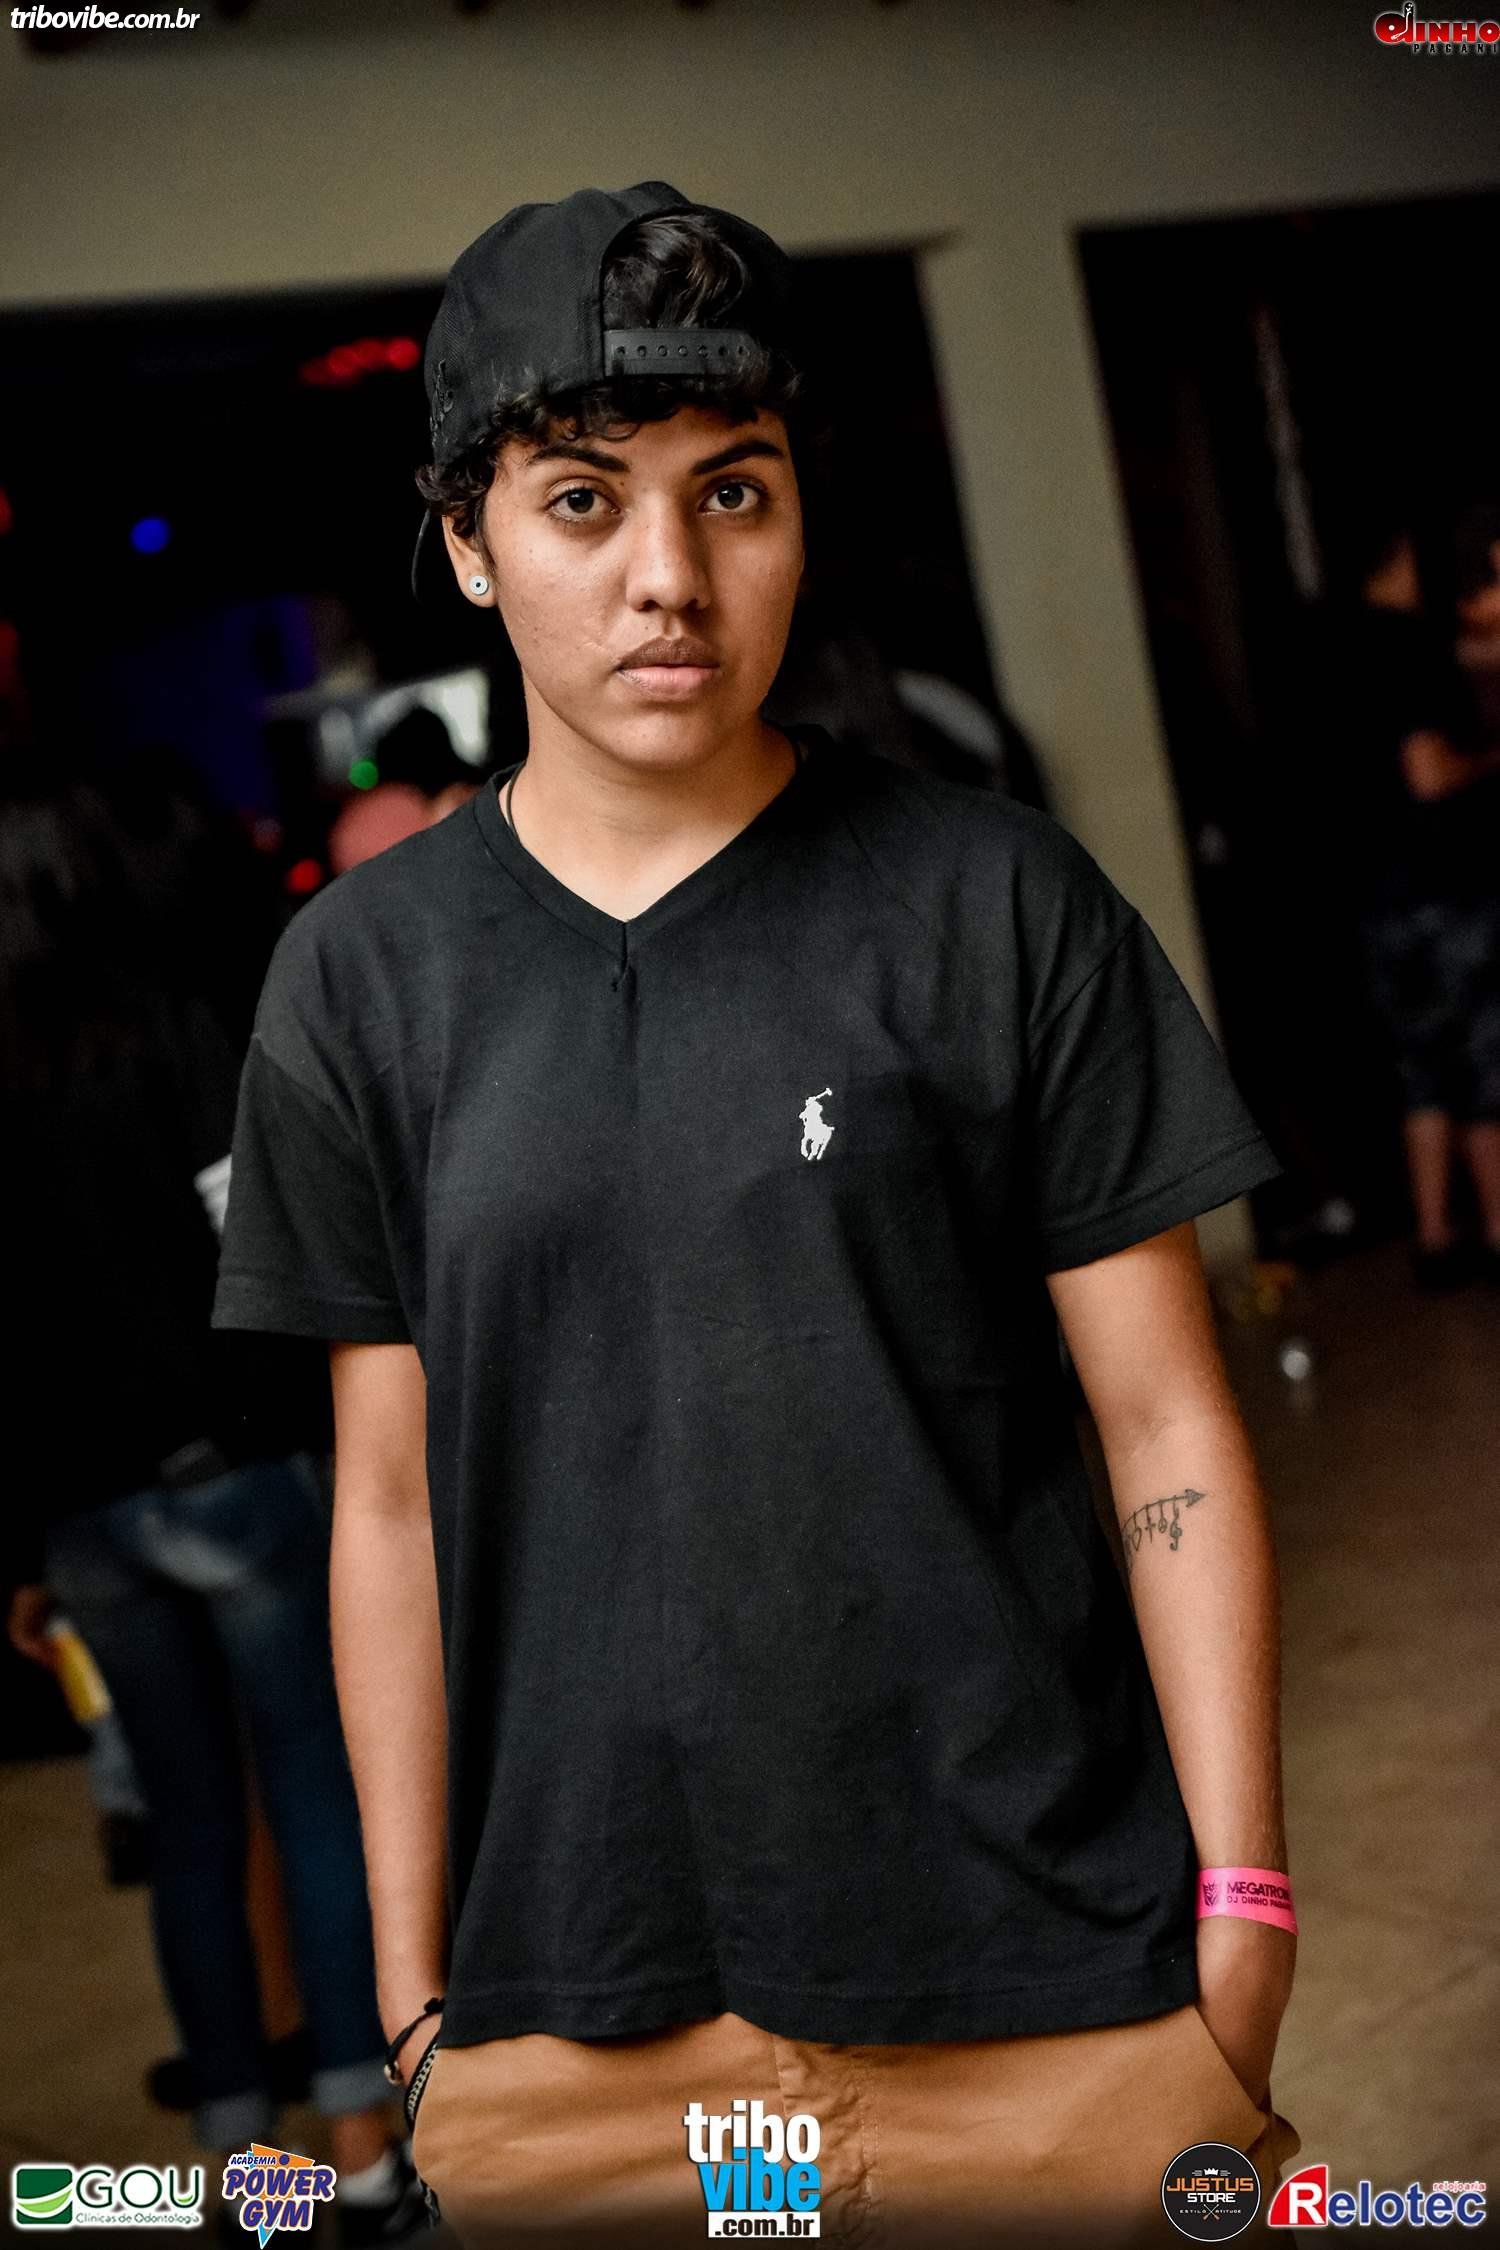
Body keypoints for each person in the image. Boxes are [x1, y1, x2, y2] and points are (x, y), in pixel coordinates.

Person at [213, 184, 1300, 2249]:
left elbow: (1165, 1421)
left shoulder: (997, 904)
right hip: (577, 2031)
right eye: (581, 502)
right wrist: (419, 1999)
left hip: (1053, 1987)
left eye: (734, 492)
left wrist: (1240, 1916)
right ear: (467, 541)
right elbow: (388, 1504)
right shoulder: (361, 982)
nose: (671, 577)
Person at [0, 762, 428, 2243]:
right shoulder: (172, 1028)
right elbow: (261, 1253)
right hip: (235, 1478)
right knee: (315, 1797)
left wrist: (24, 1541)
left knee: (186, 1828)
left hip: (83, 1517)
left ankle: (252, 2172)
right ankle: (361, 2152)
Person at [1344, 527, 1500, 1288]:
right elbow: (1429, 774)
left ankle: (1435, 1237)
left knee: (1422, 1071)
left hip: (1377, 894)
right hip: (1442, 888)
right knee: (1483, 1060)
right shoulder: (1410, 648)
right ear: (1405, 553)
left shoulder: (1334, 650)